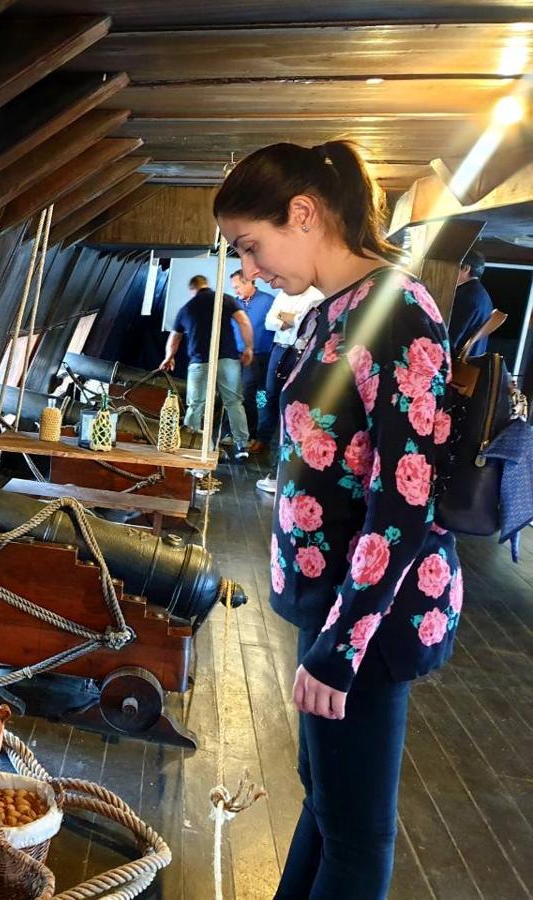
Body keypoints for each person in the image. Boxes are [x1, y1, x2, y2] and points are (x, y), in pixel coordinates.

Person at [214, 140, 461, 900]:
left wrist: (343, 645)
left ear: (304, 213)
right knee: (325, 802)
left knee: (357, 835)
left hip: (371, 618)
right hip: (329, 609)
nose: (250, 272)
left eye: (252, 247)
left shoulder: (397, 313)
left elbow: (406, 500)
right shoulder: (331, 313)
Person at [160, 274, 255, 459]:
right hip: (227, 359)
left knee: (196, 405)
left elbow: (175, 337)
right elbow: (243, 321)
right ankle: (242, 447)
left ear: (192, 289)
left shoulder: (186, 308)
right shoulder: (224, 299)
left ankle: (191, 443)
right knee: (234, 403)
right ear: (206, 285)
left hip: (199, 362)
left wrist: (168, 357)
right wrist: (249, 348)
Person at [255, 285, 324, 494]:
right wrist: (288, 319)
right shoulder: (284, 293)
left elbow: (305, 325)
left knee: (291, 405)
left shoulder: (316, 296)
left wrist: (288, 319)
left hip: (298, 351)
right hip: (279, 349)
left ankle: (281, 470)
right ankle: (263, 440)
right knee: (269, 398)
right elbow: (269, 322)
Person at [230, 269, 276, 451]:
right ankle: (234, 432)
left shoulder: (268, 302)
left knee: (248, 394)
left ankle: (250, 434)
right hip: (235, 355)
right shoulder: (234, 303)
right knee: (233, 394)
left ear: (249, 282)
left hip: (259, 356)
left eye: (237, 287)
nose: (236, 291)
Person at [447, 247, 495, 356]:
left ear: (466, 269)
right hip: (469, 360)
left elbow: (449, 340)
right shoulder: (479, 294)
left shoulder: (466, 297)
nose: (447, 271)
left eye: (451, 267)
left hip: (456, 363)